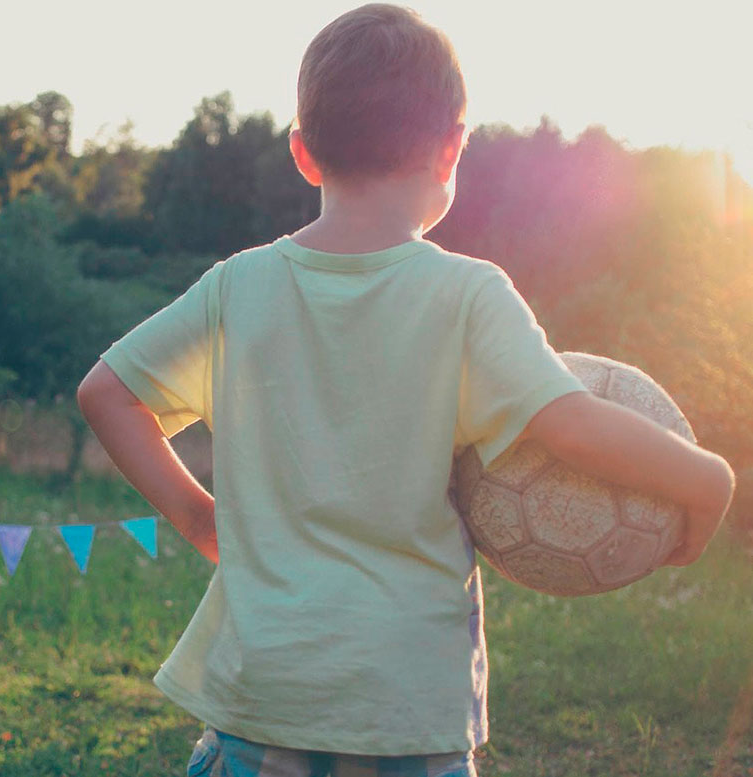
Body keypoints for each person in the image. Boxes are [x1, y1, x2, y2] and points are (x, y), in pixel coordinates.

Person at [76, 4, 736, 776]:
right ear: (452, 147)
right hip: (404, 713)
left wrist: (197, 515)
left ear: (302, 152)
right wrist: (708, 478)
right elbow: (571, 424)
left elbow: (107, 391)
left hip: (261, 697)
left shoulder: (239, 285)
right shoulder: (466, 295)